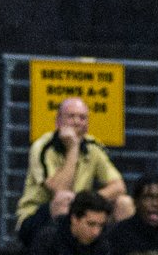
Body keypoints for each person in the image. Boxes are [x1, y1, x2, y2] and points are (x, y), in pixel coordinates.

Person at [16, 97, 129, 241]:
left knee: (124, 203)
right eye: (71, 116)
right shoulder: (42, 147)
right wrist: (73, 148)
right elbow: (61, 190)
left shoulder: (93, 147)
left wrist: (87, 202)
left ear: (87, 124)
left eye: (82, 118)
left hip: (79, 211)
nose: (77, 122)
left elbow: (119, 186)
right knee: (64, 200)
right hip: (37, 216)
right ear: (58, 121)